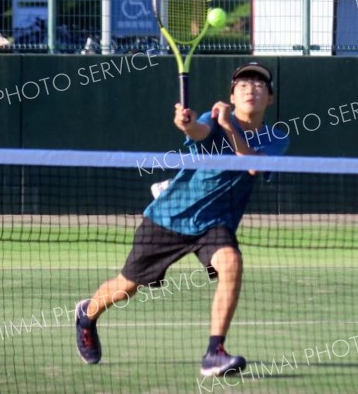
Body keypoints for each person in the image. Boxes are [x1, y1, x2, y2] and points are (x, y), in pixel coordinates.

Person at [75, 62, 289, 376]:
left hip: (215, 225)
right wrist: (187, 123)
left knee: (231, 263)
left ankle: (214, 352)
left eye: (259, 85)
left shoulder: (276, 137)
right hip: (170, 216)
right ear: (232, 94)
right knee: (127, 287)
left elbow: (253, 166)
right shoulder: (212, 120)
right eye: (243, 84)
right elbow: (197, 131)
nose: (251, 89)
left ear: (270, 98)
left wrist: (231, 127)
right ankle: (87, 314)